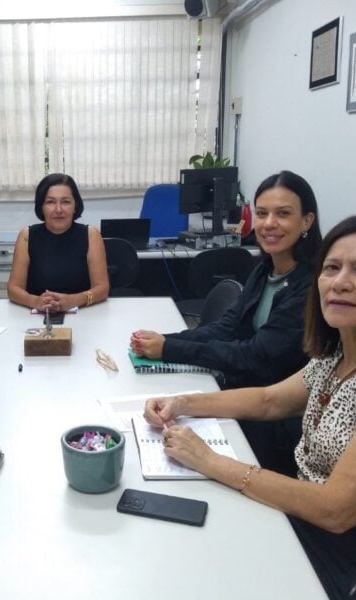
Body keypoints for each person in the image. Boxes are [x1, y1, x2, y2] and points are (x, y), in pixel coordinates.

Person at [144, 214, 356, 599]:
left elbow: (336, 510)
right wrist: (182, 403)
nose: (340, 282)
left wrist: (210, 461)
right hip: (312, 522)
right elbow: (269, 400)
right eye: (331, 268)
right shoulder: (340, 353)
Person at [131, 170, 321, 474]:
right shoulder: (264, 270)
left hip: (274, 425)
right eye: (262, 213)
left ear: (307, 221)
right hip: (239, 397)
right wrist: (167, 340)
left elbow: (255, 356)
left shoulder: (311, 288)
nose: (269, 223)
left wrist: (170, 349)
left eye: (283, 214)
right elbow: (227, 327)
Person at [7, 173, 109, 312]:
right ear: (41, 206)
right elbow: (13, 289)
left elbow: (102, 289)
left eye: (66, 202)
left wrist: (73, 300)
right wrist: (35, 301)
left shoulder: (91, 234)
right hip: (37, 316)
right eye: (50, 202)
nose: (58, 210)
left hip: (84, 313)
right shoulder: (27, 235)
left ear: (75, 205)